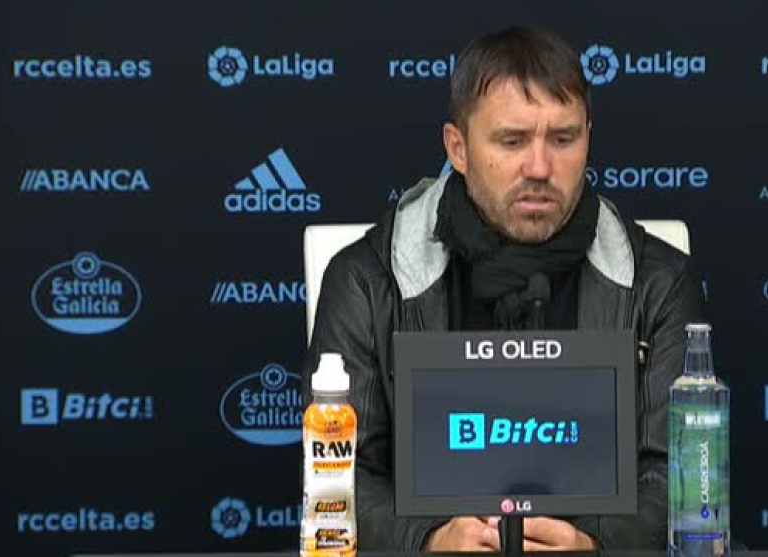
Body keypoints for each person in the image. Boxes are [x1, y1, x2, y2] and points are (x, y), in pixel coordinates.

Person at [303, 25, 706, 552]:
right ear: (458, 148)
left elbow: (683, 480)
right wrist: (428, 540)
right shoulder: (365, 279)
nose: (539, 168)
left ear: (588, 137)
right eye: (512, 141)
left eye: (563, 139)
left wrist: (594, 545)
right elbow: (339, 478)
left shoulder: (658, 282)